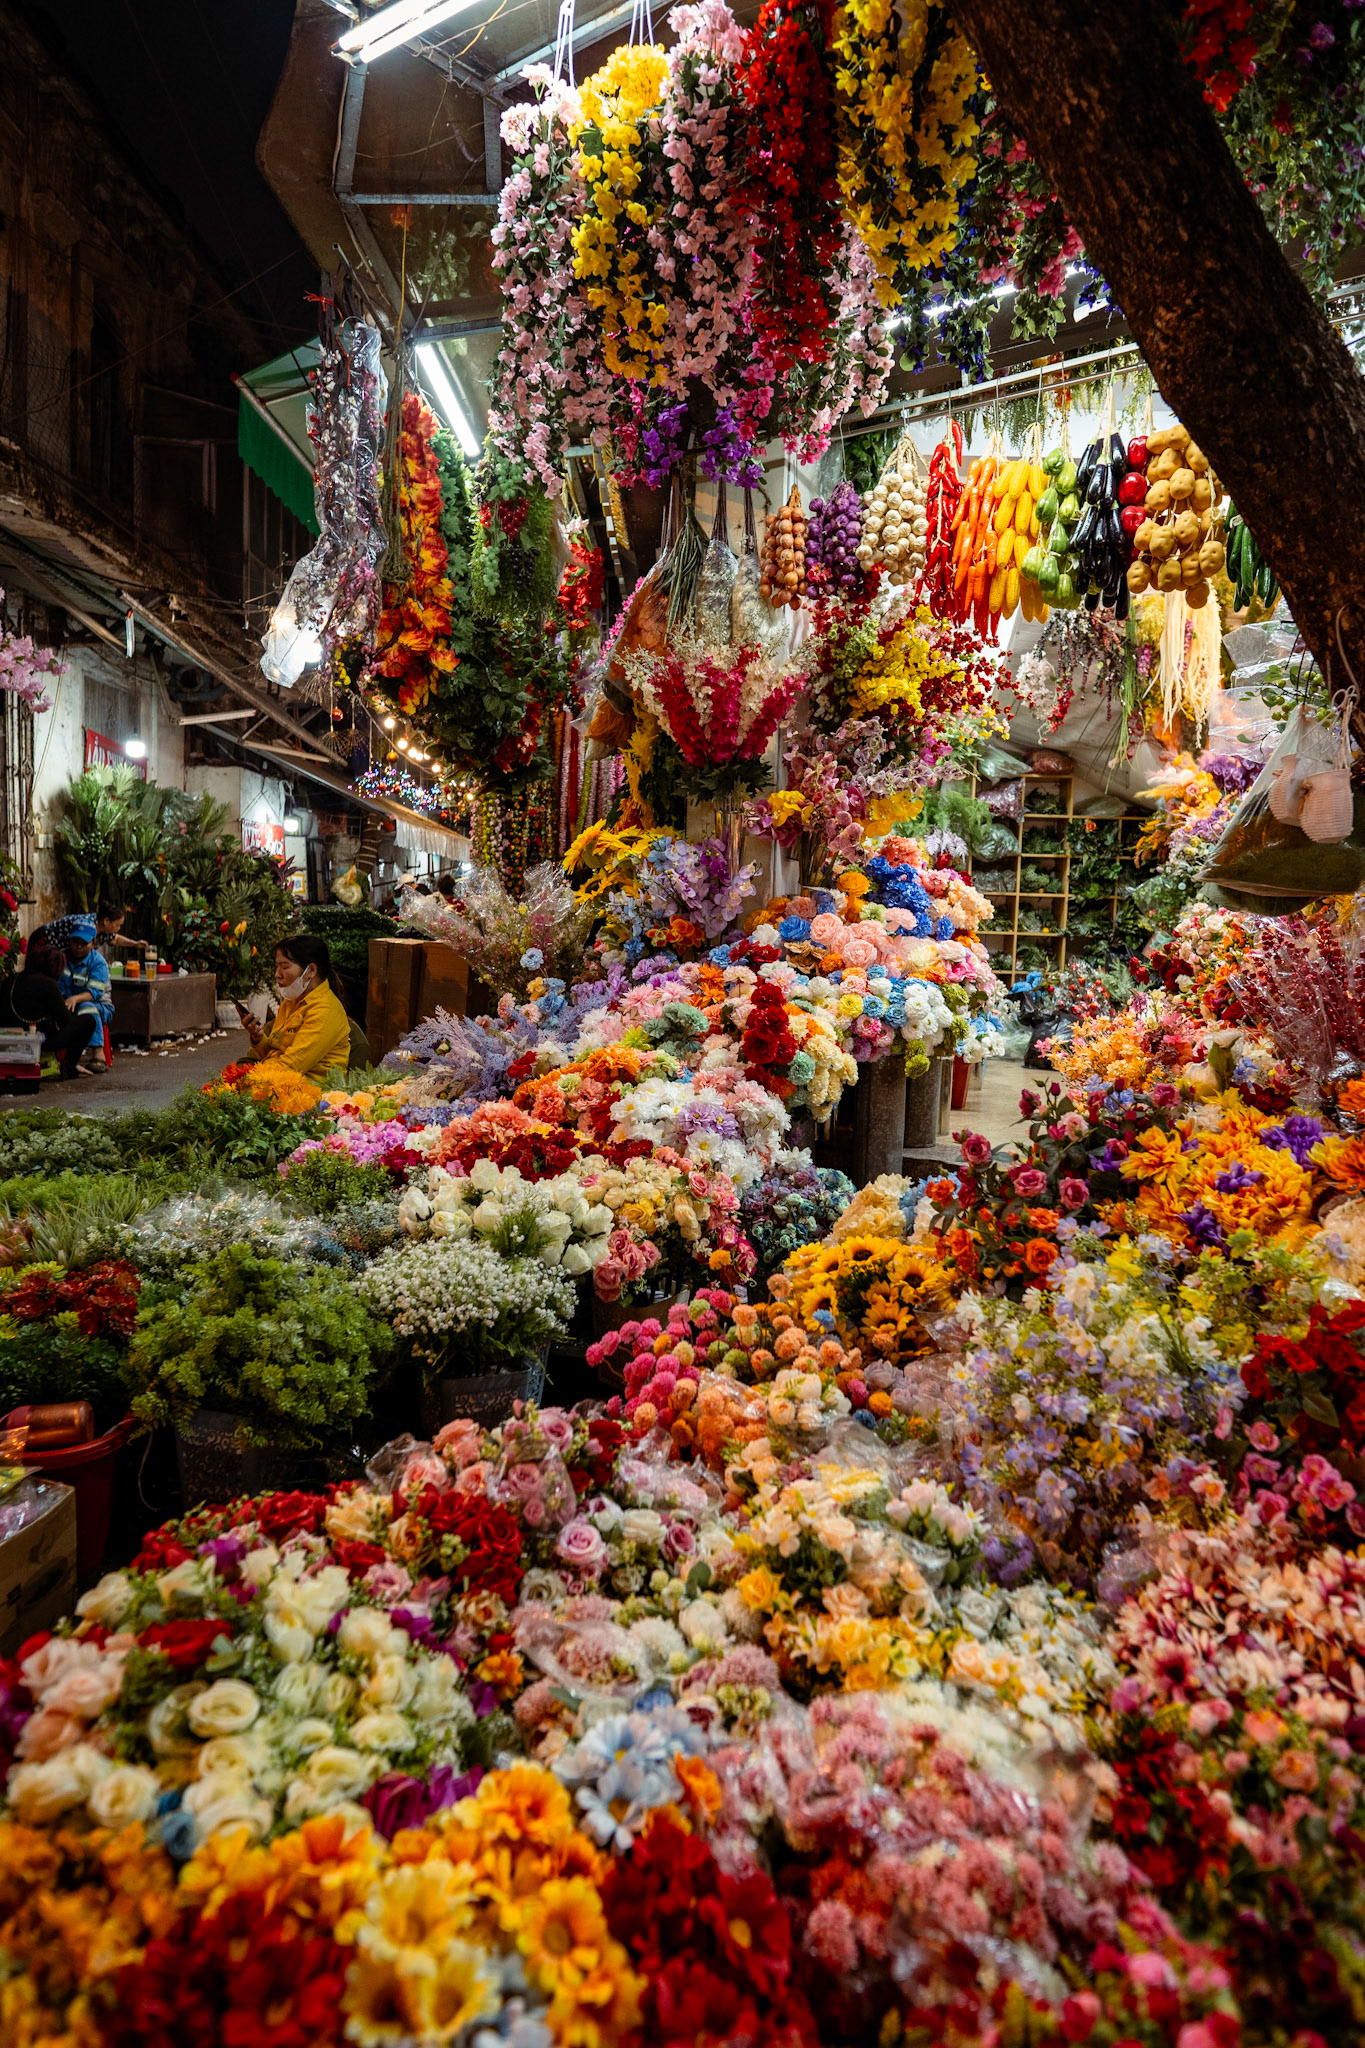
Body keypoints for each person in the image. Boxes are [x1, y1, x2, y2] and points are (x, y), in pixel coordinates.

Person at [238, 933, 353, 1083]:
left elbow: (291, 1066)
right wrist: (258, 1039)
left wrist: (246, 1078)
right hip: (279, 1080)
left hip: (310, 1091)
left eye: (284, 967)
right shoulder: (290, 1003)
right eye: (277, 966)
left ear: (311, 970)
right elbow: (277, 1053)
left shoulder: (325, 1010)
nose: (277, 974)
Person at [0, 942, 101, 1079]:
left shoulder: (11, 980)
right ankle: (70, 1066)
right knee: (88, 1021)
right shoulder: (48, 985)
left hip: (8, 1039)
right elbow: (65, 1021)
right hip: (38, 1041)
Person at [48, 914, 113, 1074]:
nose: (78, 947)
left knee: (87, 1007)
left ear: (93, 943)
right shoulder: (61, 957)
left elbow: (94, 993)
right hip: (69, 1003)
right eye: (75, 942)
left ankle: (98, 1055)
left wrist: (74, 999)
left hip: (100, 1006)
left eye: (84, 943)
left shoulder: (98, 962)